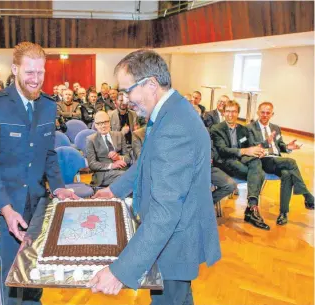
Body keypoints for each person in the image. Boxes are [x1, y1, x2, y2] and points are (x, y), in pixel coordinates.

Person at [90, 49, 221, 305]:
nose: (125, 99)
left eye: (128, 91)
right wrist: (114, 190)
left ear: (151, 85)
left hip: (176, 240)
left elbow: (165, 212)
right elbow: (145, 164)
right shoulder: (169, 111)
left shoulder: (174, 126)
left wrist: (120, 271)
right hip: (173, 236)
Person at [0, 41, 77, 305]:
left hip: (35, 203)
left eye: (40, 72)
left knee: (34, 268)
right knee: (12, 275)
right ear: (15, 69)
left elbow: (48, 153)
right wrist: (5, 209)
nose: (35, 79)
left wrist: (59, 186)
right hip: (3, 204)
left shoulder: (48, 105)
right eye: (29, 72)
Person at [247, 102, 314, 225]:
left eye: (268, 113)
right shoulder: (250, 128)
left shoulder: (275, 128)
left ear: (272, 114)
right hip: (263, 160)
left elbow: (280, 146)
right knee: (291, 162)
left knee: (287, 174)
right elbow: (252, 147)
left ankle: (283, 213)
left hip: (277, 160)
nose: (265, 115)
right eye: (262, 112)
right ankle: (307, 195)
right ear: (258, 112)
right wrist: (265, 142)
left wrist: (288, 147)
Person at [210, 100, 269, 230]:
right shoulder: (217, 129)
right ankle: (251, 210)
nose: (231, 114)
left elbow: (249, 146)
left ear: (238, 113)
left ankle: (252, 205)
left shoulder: (242, 129)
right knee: (260, 174)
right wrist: (244, 151)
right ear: (224, 113)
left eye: (234, 111)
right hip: (225, 161)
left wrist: (258, 150)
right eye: (228, 111)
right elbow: (222, 150)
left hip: (241, 159)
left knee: (256, 161)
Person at [86, 112, 131, 187]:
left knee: (137, 174)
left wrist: (119, 158)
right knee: (127, 177)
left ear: (109, 123)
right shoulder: (91, 140)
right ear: (95, 125)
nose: (103, 126)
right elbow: (92, 164)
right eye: (99, 123)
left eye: (105, 122)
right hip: (104, 173)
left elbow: (128, 158)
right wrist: (112, 165)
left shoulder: (119, 135)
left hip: (122, 169)